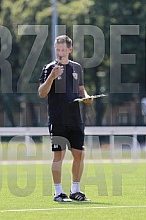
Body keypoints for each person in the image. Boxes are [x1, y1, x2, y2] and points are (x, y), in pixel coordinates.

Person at [38, 35, 93, 202]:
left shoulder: (77, 68)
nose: (60, 53)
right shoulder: (49, 68)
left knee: (79, 154)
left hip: (75, 118)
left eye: (63, 50)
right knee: (58, 155)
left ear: (70, 50)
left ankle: (75, 190)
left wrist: (87, 97)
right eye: (57, 50)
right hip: (58, 118)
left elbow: (82, 90)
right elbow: (42, 93)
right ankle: (58, 192)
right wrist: (52, 77)